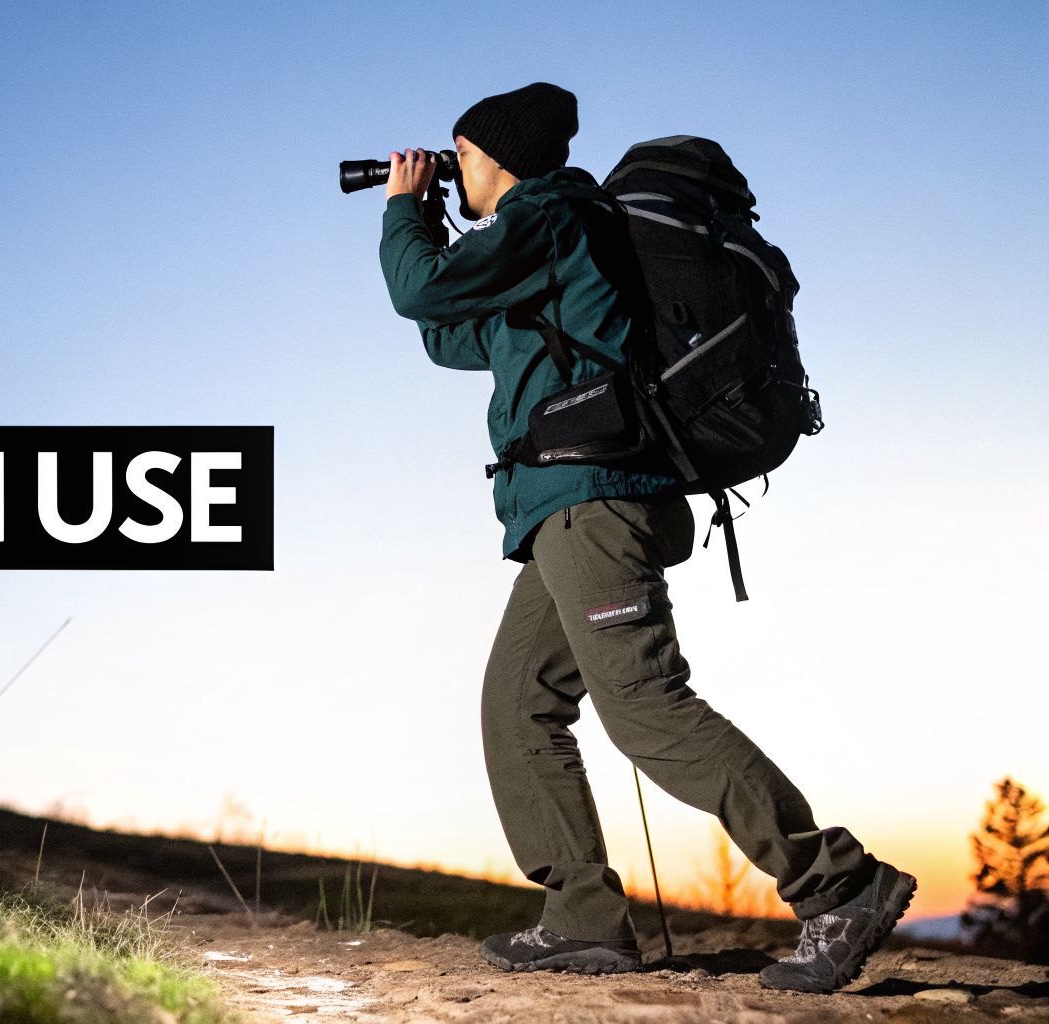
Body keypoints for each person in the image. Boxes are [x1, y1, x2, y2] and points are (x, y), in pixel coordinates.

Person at [377, 81, 915, 992]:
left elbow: (417, 289)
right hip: (562, 507)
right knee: (519, 705)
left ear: (496, 154)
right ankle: (583, 918)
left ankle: (838, 886)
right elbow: (447, 332)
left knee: (647, 708)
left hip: (596, 501)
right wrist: (427, 217)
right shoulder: (539, 244)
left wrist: (400, 214)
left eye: (458, 153)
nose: (448, 164)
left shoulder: (552, 210)